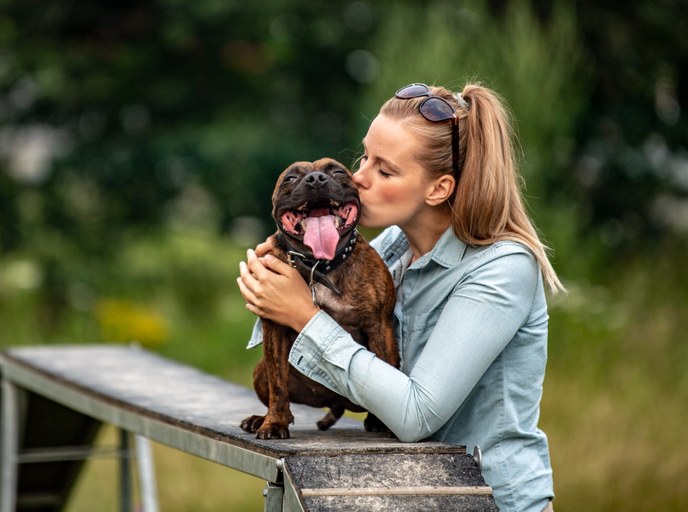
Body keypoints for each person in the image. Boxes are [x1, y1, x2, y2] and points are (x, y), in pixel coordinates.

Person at [237, 82, 562, 512]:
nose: (359, 178)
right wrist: (293, 264)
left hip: (490, 500)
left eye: (385, 171)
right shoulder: (391, 247)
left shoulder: (501, 268)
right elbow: (334, 331)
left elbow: (416, 415)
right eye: (364, 157)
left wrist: (303, 314)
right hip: (408, 492)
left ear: (438, 189)